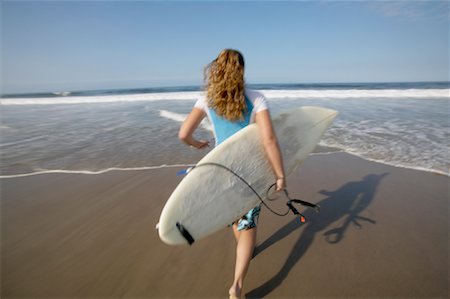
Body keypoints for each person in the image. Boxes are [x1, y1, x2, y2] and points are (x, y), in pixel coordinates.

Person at [178, 49, 286, 299]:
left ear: (216, 69)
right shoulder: (256, 98)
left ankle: (244, 250)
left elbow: (183, 134)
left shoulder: (206, 99)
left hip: (220, 168)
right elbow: (269, 140)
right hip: (249, 170)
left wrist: (197, 145)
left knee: (235, 219)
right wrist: (280, 174)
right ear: (242, 70)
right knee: (248, 226)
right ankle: (236, 285)